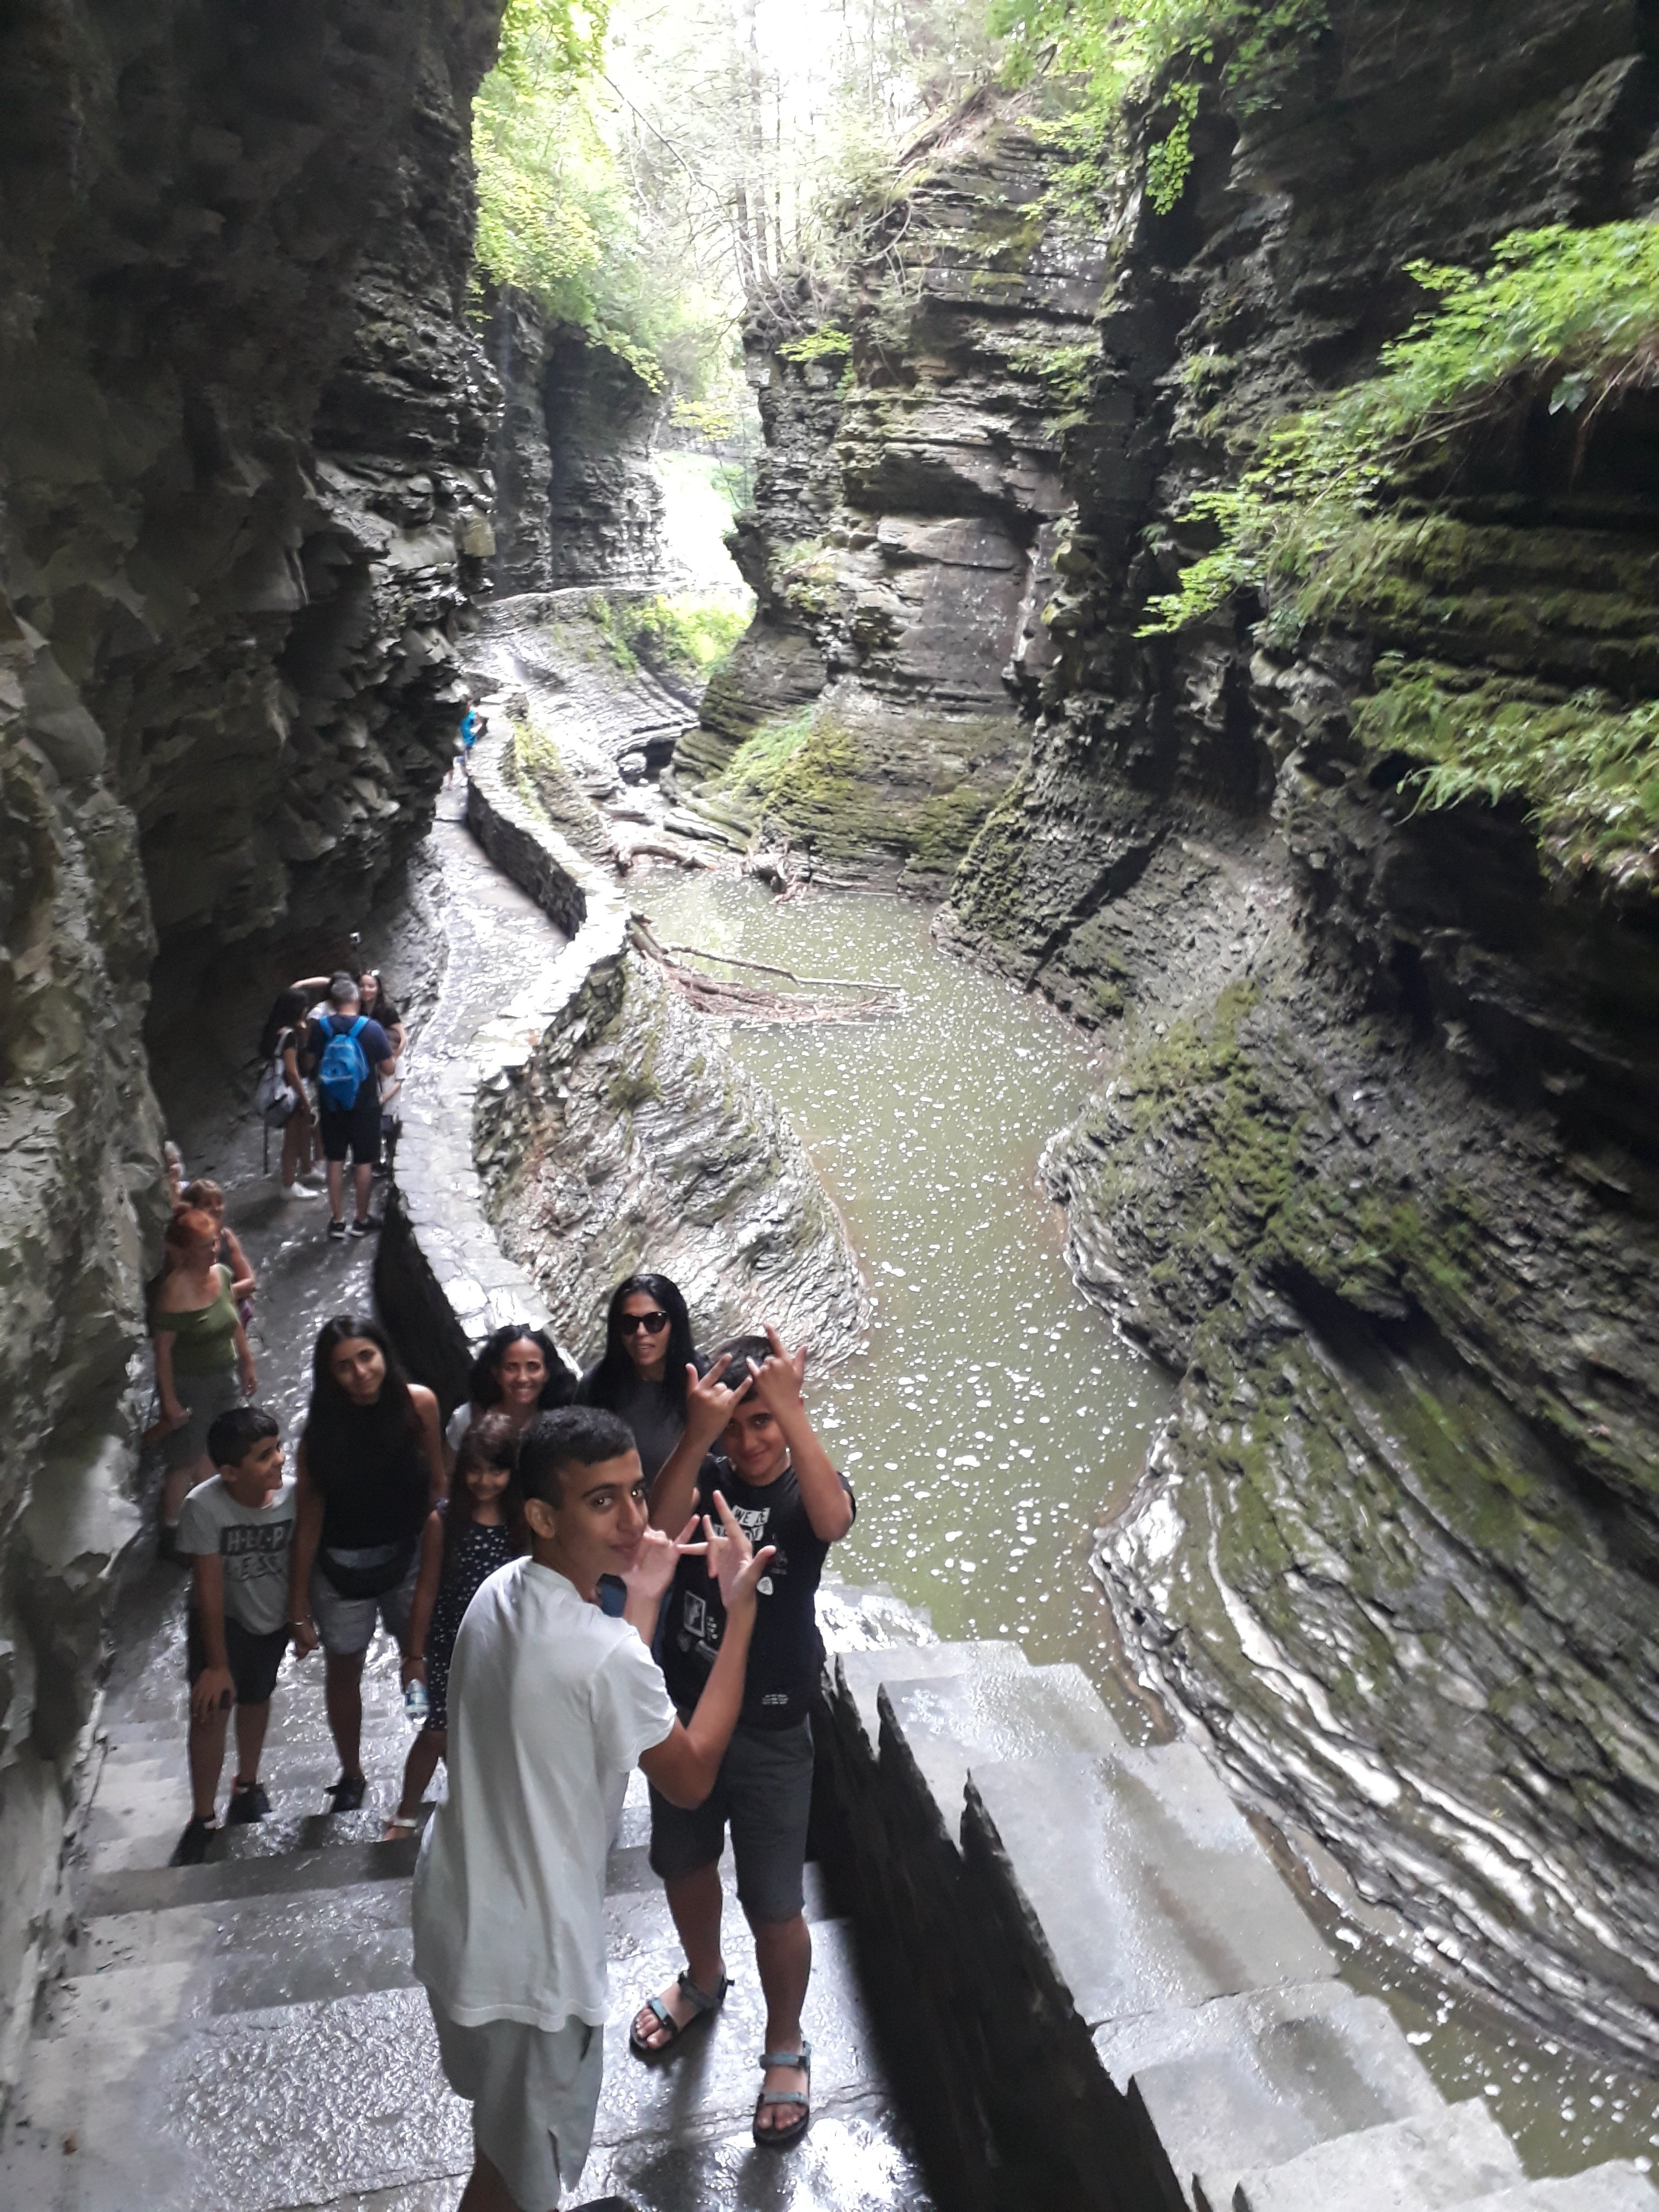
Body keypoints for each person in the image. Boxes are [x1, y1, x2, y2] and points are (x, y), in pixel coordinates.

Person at [411, 1406, 773, 2212]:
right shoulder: (601, 1654)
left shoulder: (498, 1594)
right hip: (529, 1968)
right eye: (602, 1501)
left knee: (499, 2151)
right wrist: (742, 1616)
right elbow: (689, 1778)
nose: (635, 1519)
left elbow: (601, 1700)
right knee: (518, 2179)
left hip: (457, 1919)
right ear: (543, 1516)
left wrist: (640, 1595)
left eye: (637, 1492)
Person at [632, 1326, 854, 2151]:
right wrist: (697, 1436)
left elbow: (833, 1520)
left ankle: (785, 2043)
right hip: (688, 1714)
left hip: (772, 1728)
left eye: (762, 1422)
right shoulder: (706, 1477)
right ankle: (703, 1977)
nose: (749, 1442)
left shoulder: (804, 1490)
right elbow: (653, 1533)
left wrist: (793, 1414)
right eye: (735, 1426)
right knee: (683, 1862)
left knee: (775, 1904)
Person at [288, 1314, 446, 1812]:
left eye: (366, 1357)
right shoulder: (320, 1437)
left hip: (410, 1557)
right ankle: (352, 1771)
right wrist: (298, 1609)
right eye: (344, 1366)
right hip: (341, 1571)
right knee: (345, 1669)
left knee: (420, 1658)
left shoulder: (419, 1406)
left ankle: (433, 1742)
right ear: (329, 1375)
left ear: (383, 1354)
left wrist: (447, 1556)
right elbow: (308, 1522)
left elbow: (437, 1484)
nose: (359, 1373)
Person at [384, 1414, 525, 1840]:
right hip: (449, 1646)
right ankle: (406, 1812)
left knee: (496, 1732)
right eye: (475, 1470)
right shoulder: (444, 1522)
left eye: (496, 1471)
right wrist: (413, 1656)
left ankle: (487, 1806)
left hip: (504, 1647)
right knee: (435, 1732)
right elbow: (426, 1590)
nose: (484, 1481)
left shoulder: (523, 1522)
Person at [171, 1406, 296, 1866]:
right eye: (264, 1456)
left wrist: (300, 1619)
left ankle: (247, 1784)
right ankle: (203, 1817)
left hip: (270, 1619)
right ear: (229, 1472)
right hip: (221, 1621)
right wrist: (217, 1665)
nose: (279, 1459)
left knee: (258, 1698)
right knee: (211, 1711)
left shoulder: (293, 1497)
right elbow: (208, 1587)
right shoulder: (203, 1507)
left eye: (278, 1448)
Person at [150, 1207, 257, 1545]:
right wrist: (169, 1401)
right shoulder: (173, 1293)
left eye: (214, 1243)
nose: (213, 1251)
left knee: (221, 1444)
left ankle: (212, 1514)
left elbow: (233, 1321)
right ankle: (171, 1528)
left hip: (224, 1374)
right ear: (184, 1251)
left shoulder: (222, 1274)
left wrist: (247, 1361)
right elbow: (163, 1352)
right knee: (186, 1457)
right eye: (203, 1246)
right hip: (190, 1384)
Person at [576, 1274, 701, 1485]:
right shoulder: (596, 1386)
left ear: (675, 1324)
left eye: (654, 1321)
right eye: (629, 1323)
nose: (641, 1332)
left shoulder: (702, 1380)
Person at [304, 973, 395, 1240]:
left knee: (335, 1159)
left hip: (331, 1105)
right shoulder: (371, 1028)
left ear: (332, 1002)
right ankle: (361, 1219)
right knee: (363, 1161)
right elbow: (389, 1069)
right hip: (365, 1105)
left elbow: (309, 1063)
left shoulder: (321, 1027)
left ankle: (337, 1221)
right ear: (357, 1000)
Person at [445, 1324, 577, 1463]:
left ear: (547, 1373)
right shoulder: (466, 1419)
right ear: (496, 1373)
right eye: (511, 1368)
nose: (522, 1378)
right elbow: (447, 1472)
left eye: (533, 1367)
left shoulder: (566, 1423)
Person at [258, 987, 323, 1198]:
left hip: (279, 1089)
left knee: (301, 1132)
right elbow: (292, 1071)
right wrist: (305, 1100)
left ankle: (306, 1171)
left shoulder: (272, 1031)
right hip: (289, 1093)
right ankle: (288, 1185)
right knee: (292, 1139)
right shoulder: (289, 1036)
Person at [181, 1179, 256, 1326]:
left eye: (219, 1203)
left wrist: (221, 1297)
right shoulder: (187, 1245)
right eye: (207, 1204)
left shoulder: (227, 1236)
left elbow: (250, 1282)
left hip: (237, 1312)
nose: (216, 1209)